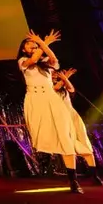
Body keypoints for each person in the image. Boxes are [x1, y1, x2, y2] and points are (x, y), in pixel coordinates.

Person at [17, 29, 90, 194]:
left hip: (52, 98)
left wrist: (43, 44)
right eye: (29, 44)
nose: (33, 45)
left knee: (65, 136)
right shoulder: (22, 61)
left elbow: (54, 59)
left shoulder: (47, 62)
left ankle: (73, 180)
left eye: (35, 43)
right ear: (23, 49)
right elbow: (33, 60)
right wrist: (44, 42)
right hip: (35, 100)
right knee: (43, 133)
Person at [52, 68, 103, 186]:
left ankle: (95, 175)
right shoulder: (47, 88)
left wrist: (65, 78)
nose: (55, 75)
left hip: (72, 115)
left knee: (85, 143)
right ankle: (73, 180)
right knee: (67, 147)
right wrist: (65, 77)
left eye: (56, 73)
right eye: (53, 74)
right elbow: (55, 88)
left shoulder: (64, 87)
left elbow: (71, 89)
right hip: (61, 118)